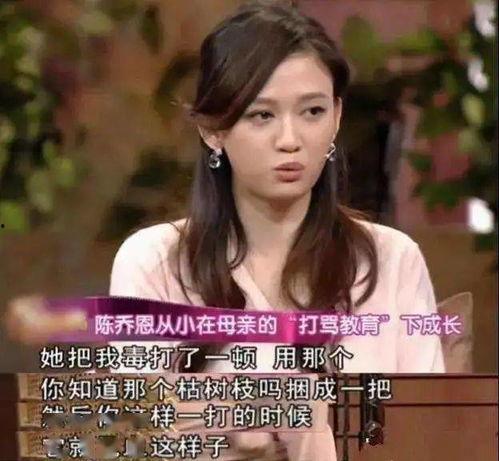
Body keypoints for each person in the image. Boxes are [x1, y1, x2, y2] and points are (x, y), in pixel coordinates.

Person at [5, 1, 445, 459]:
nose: (290, 139)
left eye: (312, 111)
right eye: (262, 115)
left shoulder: (392, 259)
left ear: (336, 116)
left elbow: (430, 438)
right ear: (213, 130)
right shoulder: (154, 260)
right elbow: (142, 439)